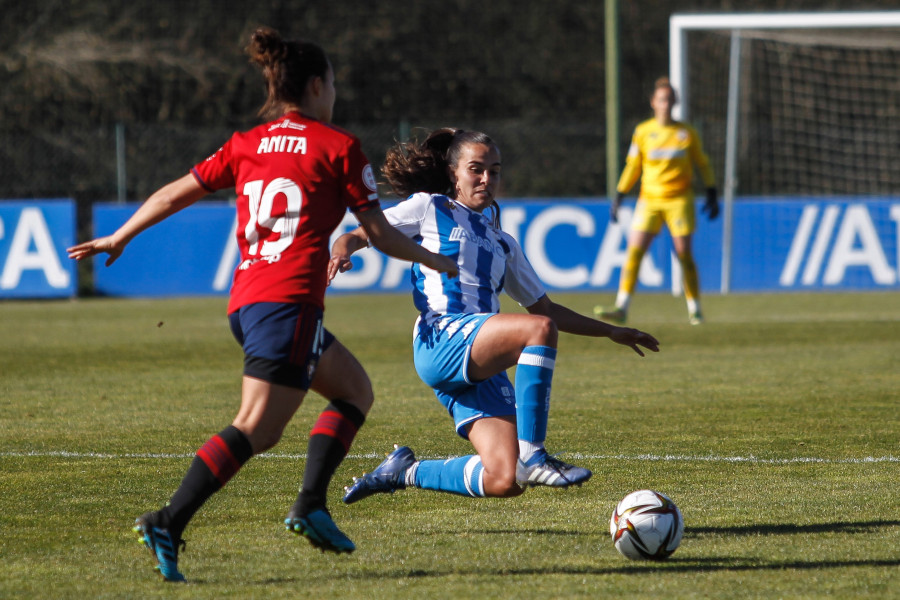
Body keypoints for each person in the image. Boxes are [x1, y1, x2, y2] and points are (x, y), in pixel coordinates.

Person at [67, 27, 457, 582]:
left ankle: (310, 504)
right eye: (334, 83)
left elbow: (174, 192)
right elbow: (382, 234)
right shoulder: (338, 147)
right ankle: (168, 520)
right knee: (257, 428)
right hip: (289, 304)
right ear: (318, 85)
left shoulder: (247, 144)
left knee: (354, 391)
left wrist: (121, 234)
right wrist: (438, 261)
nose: (336, 93)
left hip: (249, 301)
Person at [329, 128, 659, 507]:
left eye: (495, 171)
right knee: (538, 332)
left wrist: (612, 331)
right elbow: (362, 233)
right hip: (443, 336)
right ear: (453, 173)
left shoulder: (503, 243)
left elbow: (546, 309)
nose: (487, 179)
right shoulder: (430, 207)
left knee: (505, 478)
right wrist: (342, 250)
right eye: (476, 169)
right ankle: (535, 456)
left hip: (478, 356)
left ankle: (403, 471)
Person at [595, 77, 718, 326]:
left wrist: (711, 191)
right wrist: (619, 195)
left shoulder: (686, 133)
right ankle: (622, 307)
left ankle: (695, 309)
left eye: (670, 99)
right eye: (662, 99)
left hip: (679, 200)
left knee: (684, 254)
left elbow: (702, 163)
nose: (666, 104)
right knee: (634, 252)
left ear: (675, 102)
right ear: (653, 102)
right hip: (649, 200)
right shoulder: (643, 132)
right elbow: (633, 167)